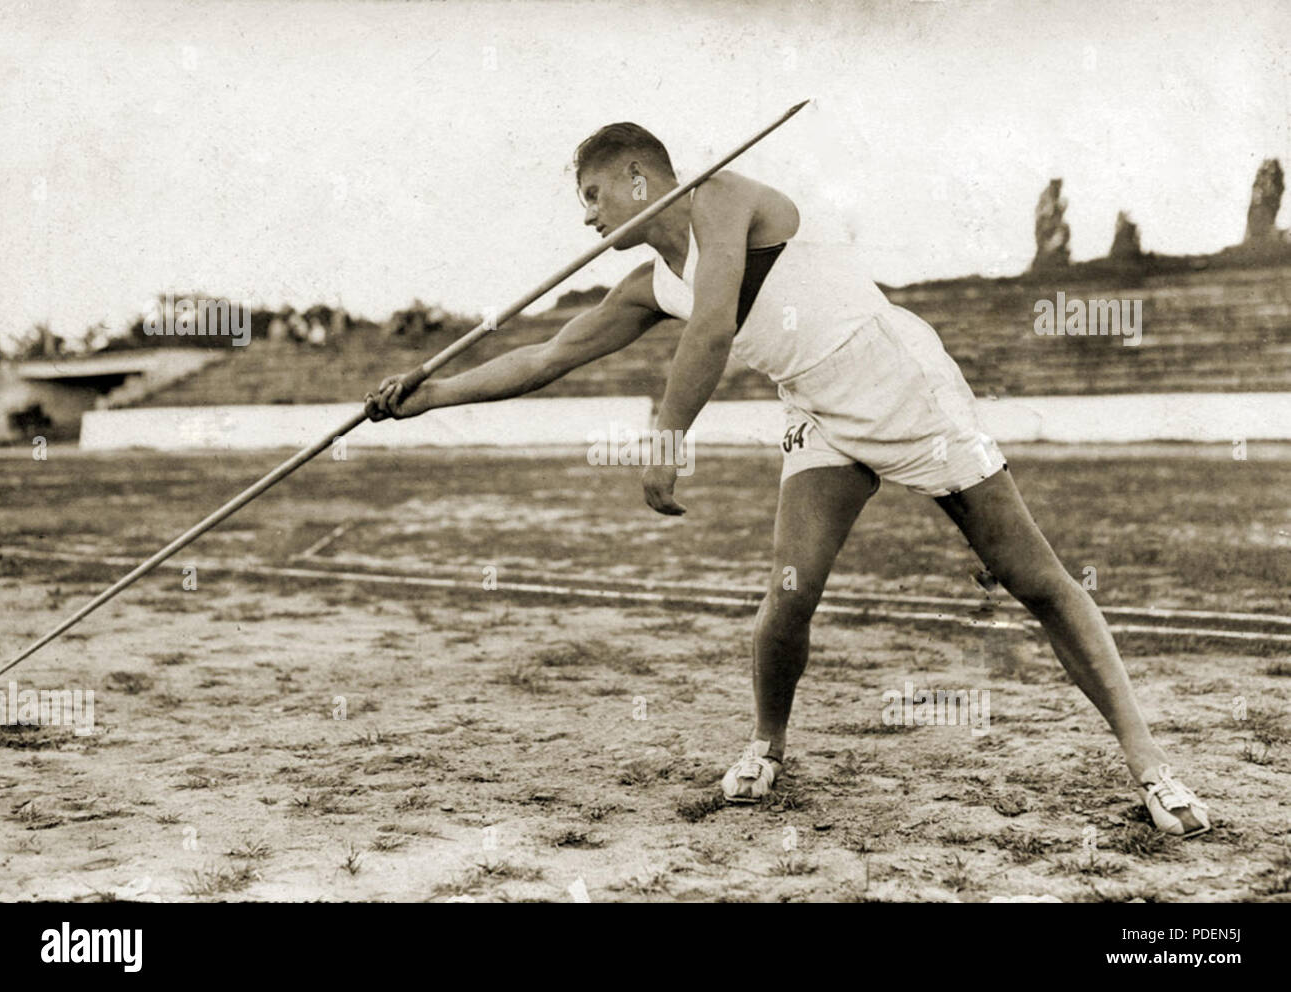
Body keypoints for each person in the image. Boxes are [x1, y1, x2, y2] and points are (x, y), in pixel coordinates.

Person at [366, 123, 1209, 837]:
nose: (584, 216)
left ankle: (1151, 767)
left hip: (898, 383)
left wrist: (667, 435)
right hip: (818, 409)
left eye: (591, 194)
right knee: (789, 590)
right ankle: (768, 746)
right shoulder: (650, 283)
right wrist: (428, 394)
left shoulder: (721, 197)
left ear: (636, 177)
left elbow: (717, 325)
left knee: (1035, 580)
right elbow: (548, 355)